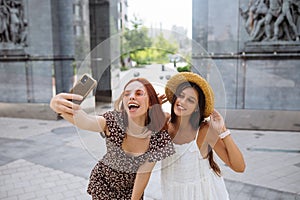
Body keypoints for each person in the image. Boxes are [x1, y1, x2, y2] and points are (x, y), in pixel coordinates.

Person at [50, 77, 175, 200]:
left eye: (139, 93)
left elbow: (144, 173)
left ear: (150, 102)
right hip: (104, 184)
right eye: (127, 94)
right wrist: (57, 106)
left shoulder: (158, 135)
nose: (131, 97)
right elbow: (86, 121)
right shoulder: (114, 121)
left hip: (130, 190)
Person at [160, 72, 246, 200]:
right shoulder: (164, 125)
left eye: (190, 100)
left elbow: (239, 167)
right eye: (181, 96)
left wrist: (223, 131)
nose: (182, 102)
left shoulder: (203, 130)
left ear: (196, 108)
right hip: (170, 193)